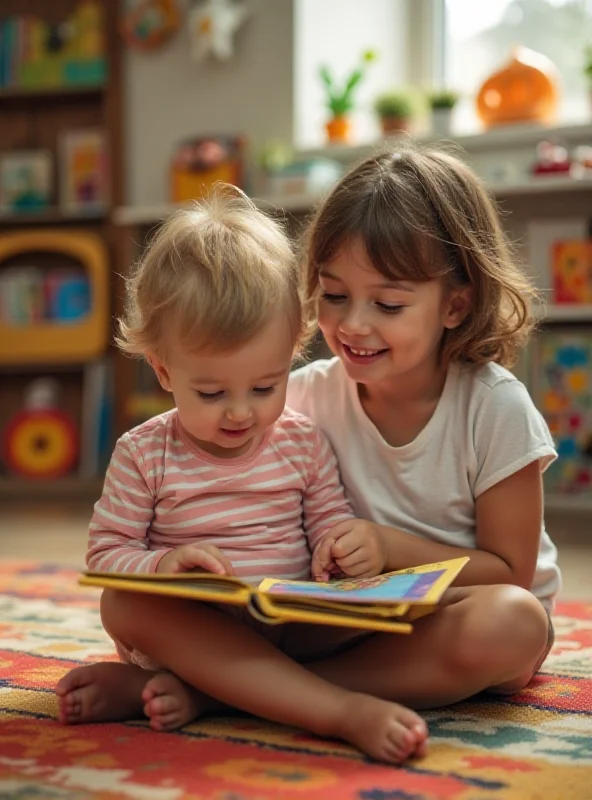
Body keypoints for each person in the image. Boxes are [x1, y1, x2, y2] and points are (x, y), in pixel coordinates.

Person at [55, 186, 428, 766]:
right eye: (211, 392)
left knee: (402, 624)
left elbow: (327, 516)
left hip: (289, 627)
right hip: (195, 634)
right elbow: (107, 551)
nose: (240, 412)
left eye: (264, 387)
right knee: (121, 606)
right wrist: (162, 565)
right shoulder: (144, 453)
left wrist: (340, 546)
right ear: (163, 371)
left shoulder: (301, 440)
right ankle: (338, 710)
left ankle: (212, 694)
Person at [285, 143, 560, 709]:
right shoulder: (304, 395)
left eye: (387, 305)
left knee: (513, 623)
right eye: (335, 295)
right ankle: (256, 678)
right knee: (141, 606)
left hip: (459, 612)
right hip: (346, 616)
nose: (352, 324)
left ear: (455, 306)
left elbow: (510, 573)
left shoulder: (495, 407)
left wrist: (386, 547)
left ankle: (252, 689)